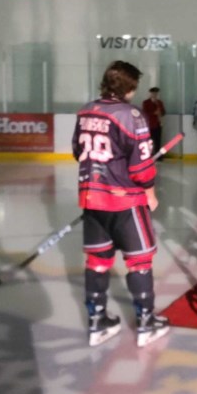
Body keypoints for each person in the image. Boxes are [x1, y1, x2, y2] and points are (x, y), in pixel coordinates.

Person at [72, 61, 169, 348]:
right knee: (139, 261)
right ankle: (146, 324)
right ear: (129, 87)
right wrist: (150, 192)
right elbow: (141, 168)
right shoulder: (131, 115)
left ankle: (96, 323)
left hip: (91, 198)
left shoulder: (86, 110)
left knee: (97, 261)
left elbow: (78, 151)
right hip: (125, 201)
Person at [141, 87, 166, 153]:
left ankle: (158, 154)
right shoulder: (146, 102)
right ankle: (149, 154)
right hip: (150, 124)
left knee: (158, 140)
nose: (155, 94)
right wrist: (153, 113)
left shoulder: (159, 102)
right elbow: (145, 113)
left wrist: (160, 112)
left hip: (158, 124)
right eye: (153, 93)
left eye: (156, 93)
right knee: (149, 140)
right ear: (150, 94)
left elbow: (164, 112)